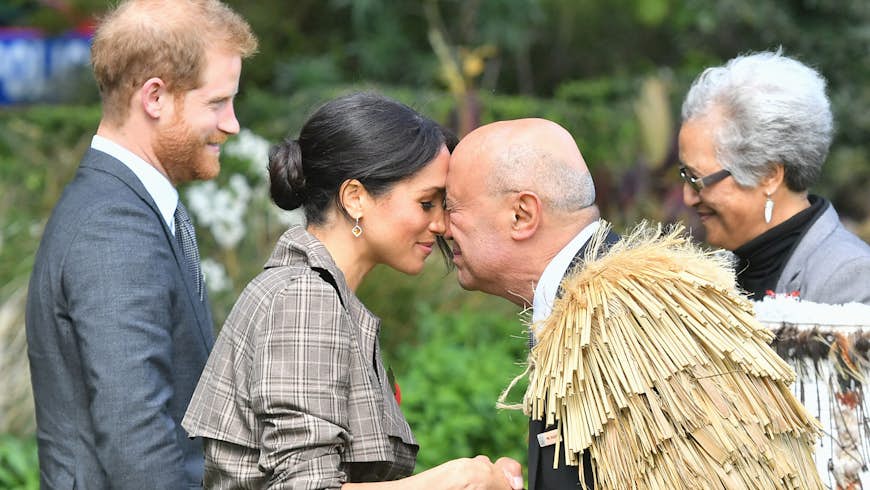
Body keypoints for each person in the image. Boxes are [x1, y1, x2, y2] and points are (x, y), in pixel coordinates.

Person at [444, 118, 823, 489]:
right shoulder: (596, 305)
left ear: (522, 214)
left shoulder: (625, 315)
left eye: (451, 207)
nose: (441, 227)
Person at [182, 92, 523, 490]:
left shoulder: (317, 292)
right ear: (355, 197)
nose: (441, 225)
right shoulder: (304, 300)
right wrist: (460, 478)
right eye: (427, 202)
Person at [24, 1, 257, 488]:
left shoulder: (129, 205)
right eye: (216, 103)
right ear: (155, 97)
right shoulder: (114, 227)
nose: (232, 123)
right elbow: (137, 440)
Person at [677, 49, 870, 304]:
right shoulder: (719, 272)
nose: (687, 197)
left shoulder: (851, 280)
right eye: (684, 174)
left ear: (768, 175)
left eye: (697, 179)